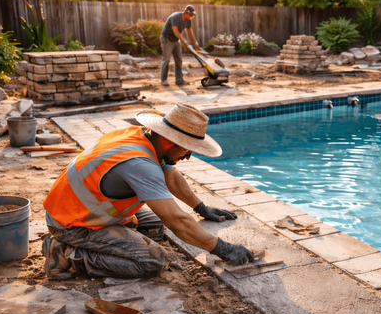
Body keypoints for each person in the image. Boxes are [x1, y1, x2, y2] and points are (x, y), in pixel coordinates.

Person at [42, 103, 254, 279]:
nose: (188, 156)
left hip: (83, 209)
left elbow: (172, 177)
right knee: (153, 260)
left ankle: (103, 240)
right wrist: (223, 249)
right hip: (72, 223)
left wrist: (202, 208)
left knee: (156, 227)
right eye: (187, 149)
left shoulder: (143, 138)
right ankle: (65, 256)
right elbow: (177, 221)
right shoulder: (140, 165)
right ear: (168, 140)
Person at [160, 5, 201, 87]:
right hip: (167, 39)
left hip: (176, 40)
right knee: (166, 60)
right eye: (191, 15)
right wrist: (185, 43)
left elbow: (190, 33)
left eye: (193, 15)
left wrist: (195, 43)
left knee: (179, 59)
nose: (192, 16)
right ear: (186, 13)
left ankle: (179, 80)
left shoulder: (188, 20)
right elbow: (176, 32)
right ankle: (163, 80)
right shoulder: (175, 17)